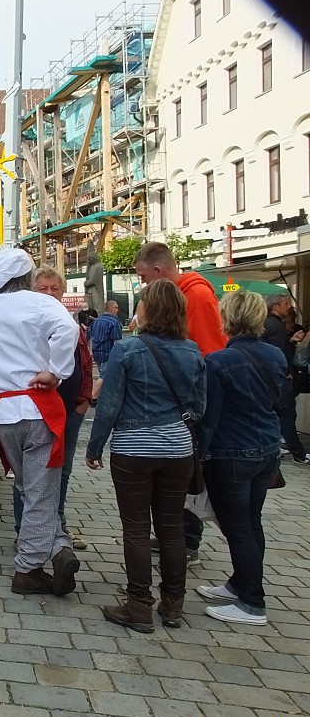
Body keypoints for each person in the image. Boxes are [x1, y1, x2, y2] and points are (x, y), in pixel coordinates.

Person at [85, 280, 206, 633]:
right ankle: (173, 606)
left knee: (136, 528)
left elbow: (109, 405)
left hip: (133, 450)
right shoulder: (193, 351)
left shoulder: (127, 349)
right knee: (171, 528)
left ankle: (138, 604)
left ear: (146, 310)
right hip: (178, 449)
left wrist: (95, 447)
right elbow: (199, 406)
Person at [0, 249, 80, 597]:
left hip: (3, 414)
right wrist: (55, 371)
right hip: (39, 409)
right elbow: (68, 330)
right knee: (41, 493)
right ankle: (27, 569)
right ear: (27, 276)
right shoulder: (41, 304)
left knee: (29, 489)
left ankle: (58, 549)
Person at [197, 292, 285, 626]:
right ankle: (240, 584)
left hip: (232, 452)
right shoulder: (275, 355)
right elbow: (278, 398)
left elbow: (210, 416)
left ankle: (252, 602)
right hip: (266, 449)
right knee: (251, 522)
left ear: (228, 318)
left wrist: (199, 458)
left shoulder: (219, 361)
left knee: (239, 529)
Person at [134, 241, 223, 564]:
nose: (143, 284)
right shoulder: (189, 293)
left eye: (144, 278)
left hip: (190, 403)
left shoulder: (195, 296)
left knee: (188, 472)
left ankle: (187, 542)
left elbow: (206, 353)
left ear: (158, 272)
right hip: (181, 400)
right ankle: (180, 535)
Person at [11, 267, 92, 551]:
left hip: (70, 410)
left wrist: (84, 400)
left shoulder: (73, 324)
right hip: (39, 410)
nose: (48, 293)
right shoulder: (27, 324)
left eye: (54, 289)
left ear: (62, 292)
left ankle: (57, 526)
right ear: (32, 293)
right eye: (42, 289)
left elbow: (85, 362)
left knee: (63, 470)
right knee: (30, 473)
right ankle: (25, 531)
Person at [261, 293, 309, 465]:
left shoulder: (268, 324)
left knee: (275, 414)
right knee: (287, 415)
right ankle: (298, 453)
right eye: (285, 303)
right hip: (280, 378)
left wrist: (290, 340)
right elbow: (276, 351)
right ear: (276, 306)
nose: (289, 306)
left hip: (270, 377)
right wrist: (285, 371)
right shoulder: (276, 326)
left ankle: (277, 447)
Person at [89, 301, 122, 374]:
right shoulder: (114, 322)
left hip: (96, 354)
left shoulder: (96, 321)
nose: (118, 310)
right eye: (116, 308)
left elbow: (89, 337)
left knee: (102, 376)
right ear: (111, 309)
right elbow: (117, 341)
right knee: (106, 379)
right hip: (108, 355)